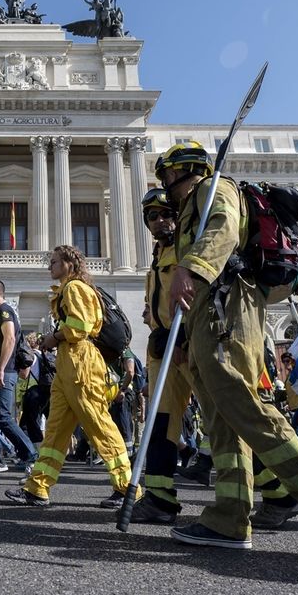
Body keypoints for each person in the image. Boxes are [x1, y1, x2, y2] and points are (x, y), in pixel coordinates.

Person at [154, 141, 298, 558]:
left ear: (181, 170)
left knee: (241, 400)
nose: (163, 184)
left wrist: (189, 268)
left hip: (225, 301)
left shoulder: (210, 188)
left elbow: (223, 228)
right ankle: (229, 517)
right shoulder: (188, 208)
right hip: (206, 309)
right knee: (221, 413)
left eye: (165, 174)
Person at [5, 245, 135, 509]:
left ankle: (128, 489)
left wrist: (51, 338)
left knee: (99, 425)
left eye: (54, 261)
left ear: (69, 263)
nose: (49, 266)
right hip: (68, 364)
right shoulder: (70, 288)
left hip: (81, 362)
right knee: (55, 431)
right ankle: (37, 488)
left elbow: (79, 328)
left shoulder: (74, 288)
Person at [128, 187, 195, 524]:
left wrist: (181, 335)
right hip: (163, 346)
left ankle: (276, 491)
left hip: (190, 344)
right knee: (161, 423)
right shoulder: (159, 254)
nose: (159, 221)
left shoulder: (189, 247)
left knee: (227, 420)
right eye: (152, 216)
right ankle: (160, 498)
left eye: (166, 213)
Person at [0, 278, 37, 473]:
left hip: (3, 373)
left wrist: (0, 370)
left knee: (3, 417)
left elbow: (10, 339)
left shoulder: (4, 311)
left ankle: (30, 454)